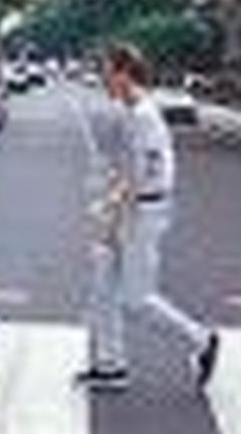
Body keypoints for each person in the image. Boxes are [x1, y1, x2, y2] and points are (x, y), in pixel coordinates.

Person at [74, 43, 220, 393]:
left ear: (124, 73)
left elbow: (143, 177)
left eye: (107, 72)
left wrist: (111, 224)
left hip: (144, 213)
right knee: (102, 288)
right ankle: (110, 366)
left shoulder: (143, 116)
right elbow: (129, 170)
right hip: (132, 209)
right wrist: (109, 203)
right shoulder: (130, 111)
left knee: (136, 298)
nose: (102, 79)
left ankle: (202, 340)